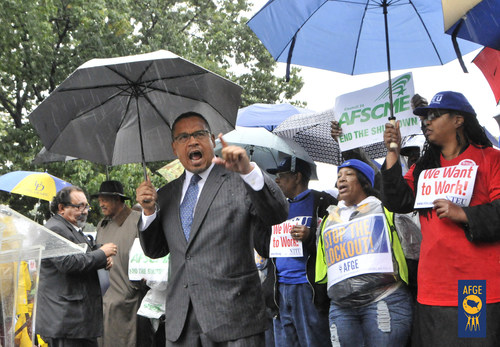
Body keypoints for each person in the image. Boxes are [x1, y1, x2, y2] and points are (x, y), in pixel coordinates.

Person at [135, 111, 288, 346]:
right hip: (181, 325)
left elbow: (277, 214)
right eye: (183, 137)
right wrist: (148, 212)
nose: (192, 141)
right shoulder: (164, 196)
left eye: (199, 134)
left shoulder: (239, 179)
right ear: (175, 148)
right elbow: (155, 250)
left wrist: (249, 172)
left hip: (235, 319)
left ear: (212, 140)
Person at [382, 91, 500, 346]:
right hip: (432, 287)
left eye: (435, 116)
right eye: (425, 117)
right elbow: (397, 201)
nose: (427, 122)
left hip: (474, 287)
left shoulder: (491, 159)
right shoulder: (425, 167)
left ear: (458, 120)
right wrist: (393, 152)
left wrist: (464, 214)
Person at [316, 159, 413, 346]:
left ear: (364, 181)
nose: (341, 180)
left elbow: (411, 245)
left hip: (384, 300)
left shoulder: (385, 209)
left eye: (348, 175)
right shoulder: (330, 219)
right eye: (338, 177)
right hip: (341, 308)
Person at [254, 156, 335, 347]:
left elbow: (335, 242)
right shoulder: (274, 207)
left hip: (308, 290)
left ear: (297, 177)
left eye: (282, 175)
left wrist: (311, 236)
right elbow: (264, 248)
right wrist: (258, 212)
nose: (277, 180)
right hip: (279, 290)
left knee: (313, 341)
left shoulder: (323, 202)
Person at [36, 186, 117, 347]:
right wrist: (101, 253)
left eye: (86, 206)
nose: (85, 211)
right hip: (66, 321)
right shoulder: (55, 229)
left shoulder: (71, 228)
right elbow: (68, 263)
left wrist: (102, 256)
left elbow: (83, 252)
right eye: (79, 206)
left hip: (78, 321)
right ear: (61, 208)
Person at [92, 180, 152, 347]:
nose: (101, 203)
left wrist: (134, 288)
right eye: (99, 199)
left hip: (130, 301)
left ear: (118, 199)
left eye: (105, 199)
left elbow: (151, 256)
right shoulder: (102, 225)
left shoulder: (138, 221)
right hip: (104, 301)